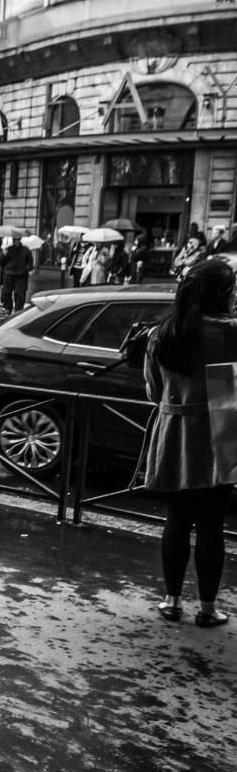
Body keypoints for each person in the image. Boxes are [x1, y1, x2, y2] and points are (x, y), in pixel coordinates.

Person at [140, 258, 237, 628]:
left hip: (175, 431)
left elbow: (154, 393)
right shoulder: (230, 333)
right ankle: (208, 609)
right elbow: (228, 394)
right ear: (222, 293)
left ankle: (172, 601)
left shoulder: (163, 333)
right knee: (212, 524)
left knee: (177, 520)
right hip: (220, 432)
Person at [0, 235, 35, 311]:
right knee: (7, 292)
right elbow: (2, 262)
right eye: (14, 240)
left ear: (20, 240)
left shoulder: (25, 250)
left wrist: (27, 268)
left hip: (21, 275)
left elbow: (30, 262)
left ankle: (18, 310)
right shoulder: (8, 249)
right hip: (9, 274)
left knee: (19, 293)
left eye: (17, 240)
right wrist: (3, 255)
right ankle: (8, 308)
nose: (16, 241)